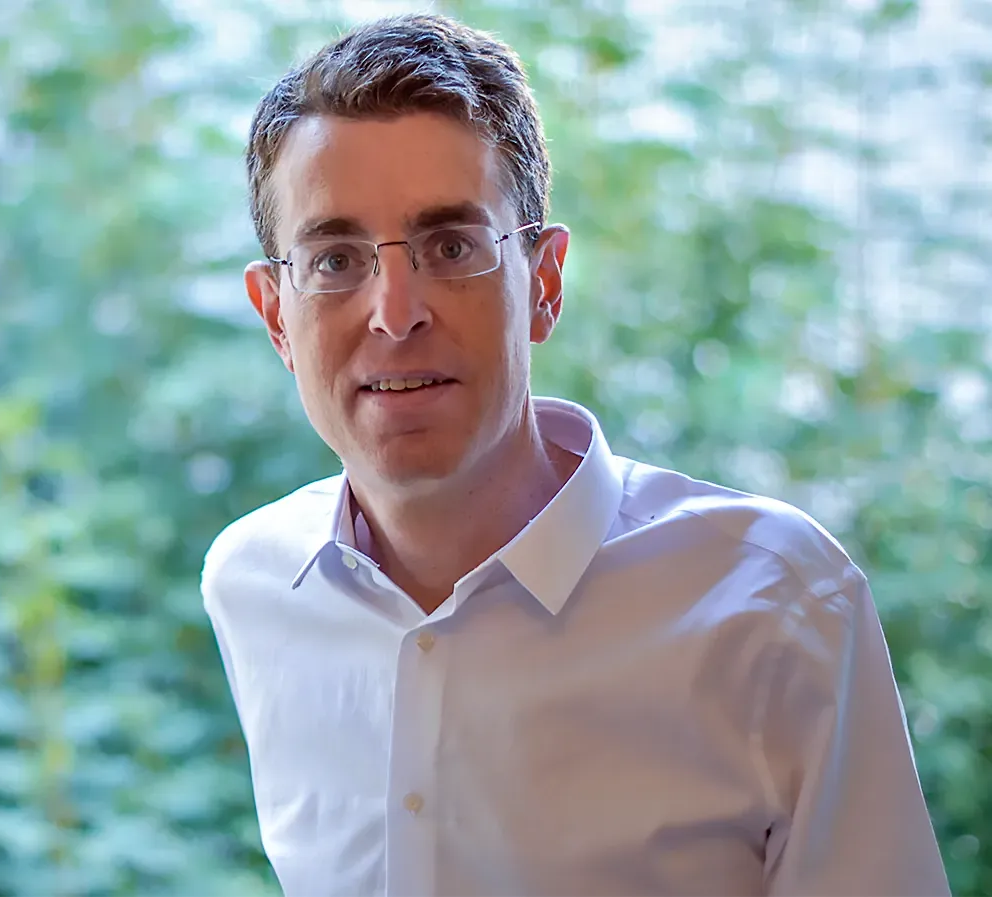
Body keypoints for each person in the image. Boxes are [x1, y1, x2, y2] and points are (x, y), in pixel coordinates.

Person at [201, 13, 951, 897]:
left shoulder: (776, 601)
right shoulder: (254, 587)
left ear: (544, 284)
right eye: (334, 259)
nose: (394, 312)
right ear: (274, 314)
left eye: (451, 247)